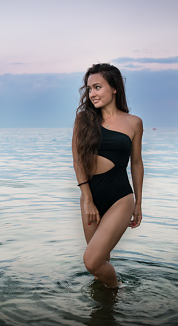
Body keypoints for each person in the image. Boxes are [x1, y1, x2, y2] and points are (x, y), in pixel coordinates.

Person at [72, 63, 144, 288]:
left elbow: (137, 163)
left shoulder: (134, 123)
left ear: (114, 88)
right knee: (99, 264)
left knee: (92, 261)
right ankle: (106, 308)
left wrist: (139, 202)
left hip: (120, 198)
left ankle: (117, 289)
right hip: (90, 197)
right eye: (89, 89)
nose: (92, 93)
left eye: (97, 87)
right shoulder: (84, 119)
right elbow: (77, 160)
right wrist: (88, 199)